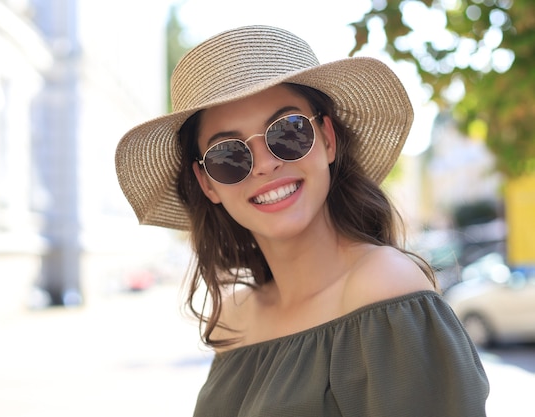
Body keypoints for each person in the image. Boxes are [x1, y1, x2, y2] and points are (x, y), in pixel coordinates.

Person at [115, 25, 489, 416]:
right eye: (229, 155)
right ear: (206, 182)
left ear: (327, 138)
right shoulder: (233, 318)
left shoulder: (383, 286)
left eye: (288, 131)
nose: (265, 164)